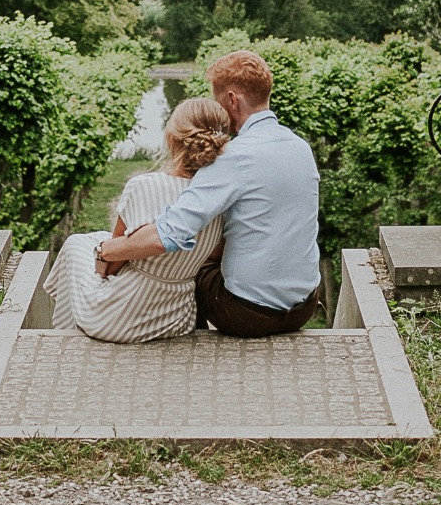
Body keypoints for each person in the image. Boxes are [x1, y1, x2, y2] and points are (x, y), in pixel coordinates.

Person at [93, 49, 322, 337]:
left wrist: (106, 249)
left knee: (186, 267)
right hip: (303, 307)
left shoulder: (234, 156)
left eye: (218, 101)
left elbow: (170, 234)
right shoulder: (300, 147)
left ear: (232, 100)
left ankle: (177, 331)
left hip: (248, 314)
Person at [47, 97, 231, 342]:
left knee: (74, 245)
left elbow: (114, 263)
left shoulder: (144, 185)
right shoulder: (224, 197)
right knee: (93, 239)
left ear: (172, 139)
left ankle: (65, 333)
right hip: (177, 318)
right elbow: (215, 254)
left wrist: (102, 264)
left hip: (120, 318)